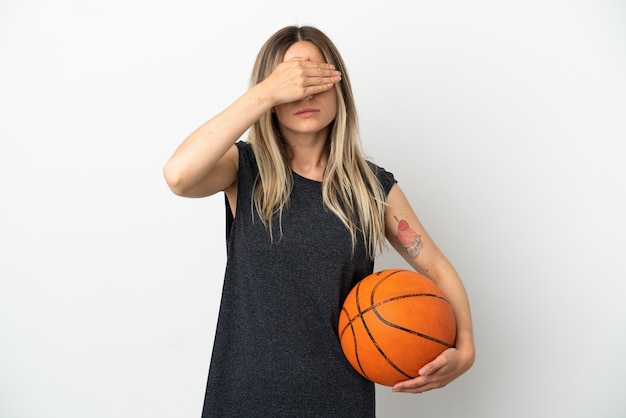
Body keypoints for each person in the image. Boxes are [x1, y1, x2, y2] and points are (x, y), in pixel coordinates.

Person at [164, 25, 475, 417]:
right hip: (244, 402)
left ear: (338, 86)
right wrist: (265, 92)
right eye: (291, 81)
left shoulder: (371, 187)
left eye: (317, 78)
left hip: (339, 403)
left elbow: (435, 265)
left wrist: (465, 348)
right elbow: (178, 175)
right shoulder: (243, 169)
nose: (306, 92)